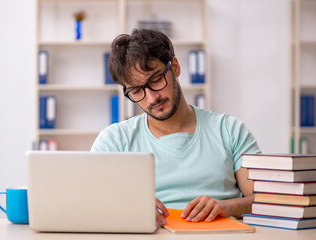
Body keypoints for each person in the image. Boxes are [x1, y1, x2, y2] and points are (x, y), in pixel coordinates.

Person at [91, 28, 261, 226]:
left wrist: (228, 207)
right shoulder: (114, 140)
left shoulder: (229, 130)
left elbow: (268, 199)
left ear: (176, 67)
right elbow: (89, 203)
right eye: (137, 91)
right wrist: (128, 209)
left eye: (156, 80)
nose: (152, 98)